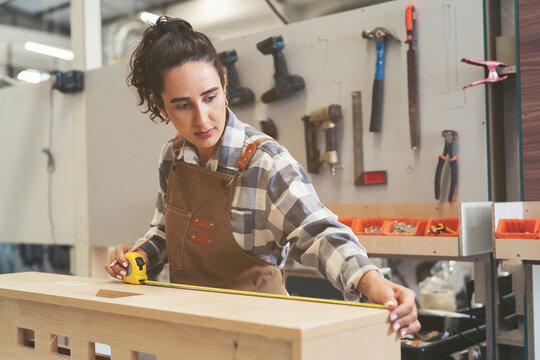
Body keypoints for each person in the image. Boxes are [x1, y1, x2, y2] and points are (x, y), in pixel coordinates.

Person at [105, 16, 420, 337]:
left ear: (225, 85)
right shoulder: (171, 157)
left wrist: (374, 283)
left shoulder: (265, 162)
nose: (202, 119)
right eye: (183, 105)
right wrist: (137, 256)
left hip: (261, 337)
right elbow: (163, 232)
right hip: (189, 332)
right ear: (160, 106)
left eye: (210, 97)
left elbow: (319, 233)